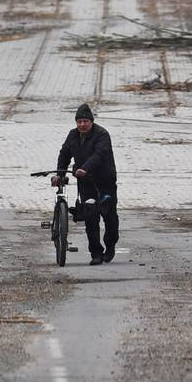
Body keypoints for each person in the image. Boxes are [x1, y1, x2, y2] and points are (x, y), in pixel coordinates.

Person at [54, 103, 118, 264]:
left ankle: (110, 246)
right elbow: (64, 154)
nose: (82, 124)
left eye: (85, 121)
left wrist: (85, 168)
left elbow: (99, 155)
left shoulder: (102, 134)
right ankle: (96, 253)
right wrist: (60, 174)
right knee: (90, 217)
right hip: (86, 183)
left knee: (109, 217)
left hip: (105, 182)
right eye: (79, 121)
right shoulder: (72, 135)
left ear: (91, 122)